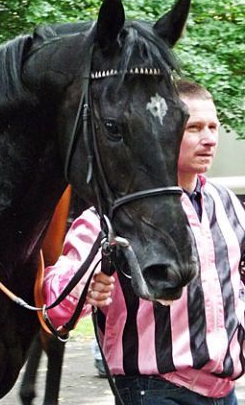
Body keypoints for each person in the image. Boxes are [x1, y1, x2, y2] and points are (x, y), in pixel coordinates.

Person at [43, 80, 245, 405]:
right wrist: (85, 287)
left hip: (224, 392)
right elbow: (54, 310)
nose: (208, 139)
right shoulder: (111, 216)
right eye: (194, 128)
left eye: (213, 127)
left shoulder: (229, 205)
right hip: (154, 389)